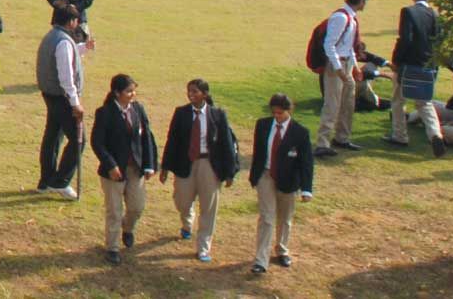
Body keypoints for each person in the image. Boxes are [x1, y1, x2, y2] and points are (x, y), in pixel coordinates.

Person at [159, 78, 239, 263]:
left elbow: (226, 143)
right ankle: (187, 221)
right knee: (182, 200)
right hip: (185, 163)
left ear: (204, 93)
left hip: (209, 164)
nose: (191, 94)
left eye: (195, 91)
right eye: (189, 91)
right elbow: (172, 140)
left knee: (209, 207)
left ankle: (203, 246)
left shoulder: (217, 115)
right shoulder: (181, 113)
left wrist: (229, 171)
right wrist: (165, 167)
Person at [91, 73, 156, 264]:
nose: (133, 94)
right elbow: (97, 142)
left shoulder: (138, 109)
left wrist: (149, 164)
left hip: (135, 168)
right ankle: (112, 247)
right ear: (117, 92)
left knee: (137, 206)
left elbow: (147, 138)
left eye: (134, 90)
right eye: (129, 91)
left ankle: (128, 228)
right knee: (114, 210)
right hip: (114, 172)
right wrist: (110, 164)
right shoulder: (104, 113)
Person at [249, 93, 314, 275]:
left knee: (285, 218)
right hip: (266, 175)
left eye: (280, 113)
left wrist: (306, 188)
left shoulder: (300, 133)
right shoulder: (262, 125)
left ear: (288, 111)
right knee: (267, 217)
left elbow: (306, 162)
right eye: (274, 113)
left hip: (288, 181)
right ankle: (261, 260)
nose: (276, 116)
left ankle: (282, 249)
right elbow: (258, 151)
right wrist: (254, 175)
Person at [385, 0, 445, 155]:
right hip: (428, 65)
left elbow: (406, 39)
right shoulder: (435, 15)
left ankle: (399, 135)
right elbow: (438, 42)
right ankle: (435, 134)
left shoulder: (409, 12)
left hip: (409, 63)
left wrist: (396, 59)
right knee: (424, 102)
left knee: (398, 100)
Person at [35, 7, 87, 199]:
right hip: (62, 97)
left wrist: (83, 49)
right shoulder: (63, 42)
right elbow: (66, 76)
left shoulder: (52, 37)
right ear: (70, 21)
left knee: (53, 137)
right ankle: (60, 181)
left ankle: (46, 180)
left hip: (50, 94)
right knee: (78, 140)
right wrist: (75, 103)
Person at [314, 0, 369, 157]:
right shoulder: (341, 17)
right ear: (360, 0)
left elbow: (349, 46)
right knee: (332, 103)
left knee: (348, 102)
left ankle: (342, 137)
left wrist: (355, 67)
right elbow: (329, 45)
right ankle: (322, 142)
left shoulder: (350, 18)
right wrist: (338, 68)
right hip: (336, 65)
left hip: (345, 64)